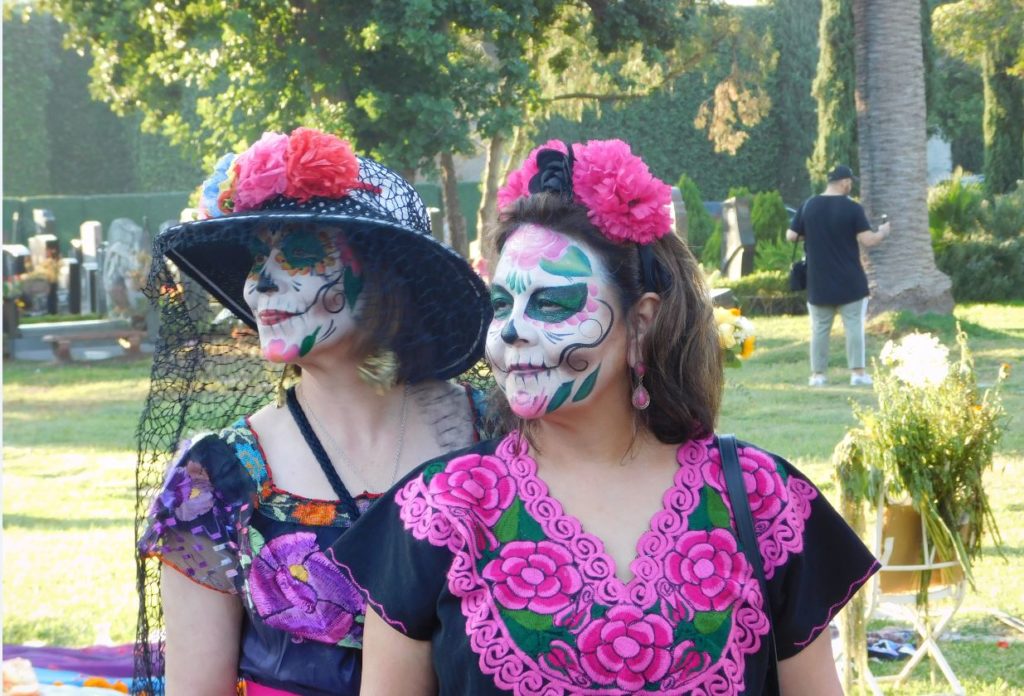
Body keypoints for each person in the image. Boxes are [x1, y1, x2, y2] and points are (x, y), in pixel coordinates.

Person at [332, 139, 881, 695]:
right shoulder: (440, 510)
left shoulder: (764, 499)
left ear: (641, 322)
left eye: (552, 303)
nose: (514, 330)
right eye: (502, 305)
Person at [135, 127, 492, 696]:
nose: (261, 283)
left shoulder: (498, 435)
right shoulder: (217, 478)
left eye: (299, 254)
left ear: (385, 279)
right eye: (258, 258)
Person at [785, 165, 890, 387]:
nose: (850, 186)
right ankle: (858, 374)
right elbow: (868, 240)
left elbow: (791, 235)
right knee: (853, 327)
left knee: (819, 329)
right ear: (844, 182)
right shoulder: (852, 208)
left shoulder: (809, 205)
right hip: (850, 281)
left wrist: (812, 234)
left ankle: (818, 376)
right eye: (850, 182)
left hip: (818, 281)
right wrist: (884, 231)